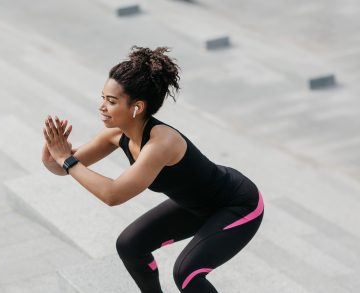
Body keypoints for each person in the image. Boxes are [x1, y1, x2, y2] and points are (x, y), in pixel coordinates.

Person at [42, 46, 264, 293]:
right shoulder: (116, 134)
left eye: (111, 101)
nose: (102, 106)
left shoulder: (162, 143)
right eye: (103, 97)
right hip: (196, 204)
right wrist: (53, 155)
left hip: (237, 205)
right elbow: (63, 168)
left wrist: (67, 160)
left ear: (137, 107)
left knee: (187, 273)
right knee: (129, 245)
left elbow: (113, 194)